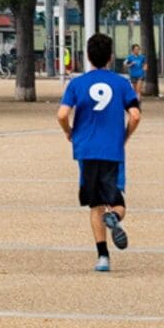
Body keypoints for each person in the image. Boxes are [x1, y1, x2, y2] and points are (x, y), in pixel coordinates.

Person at [55, 33, 139, 271]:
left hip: (86, 149)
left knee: (95, 204)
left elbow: (61, 114)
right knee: (117, 200)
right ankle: (116, 217)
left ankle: (103, 257)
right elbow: (135, 115)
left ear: (88, 57)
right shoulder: (122, 83)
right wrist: (125, 136)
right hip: (112, 148)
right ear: (110, 57)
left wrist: (69, 131)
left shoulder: (77, 84)